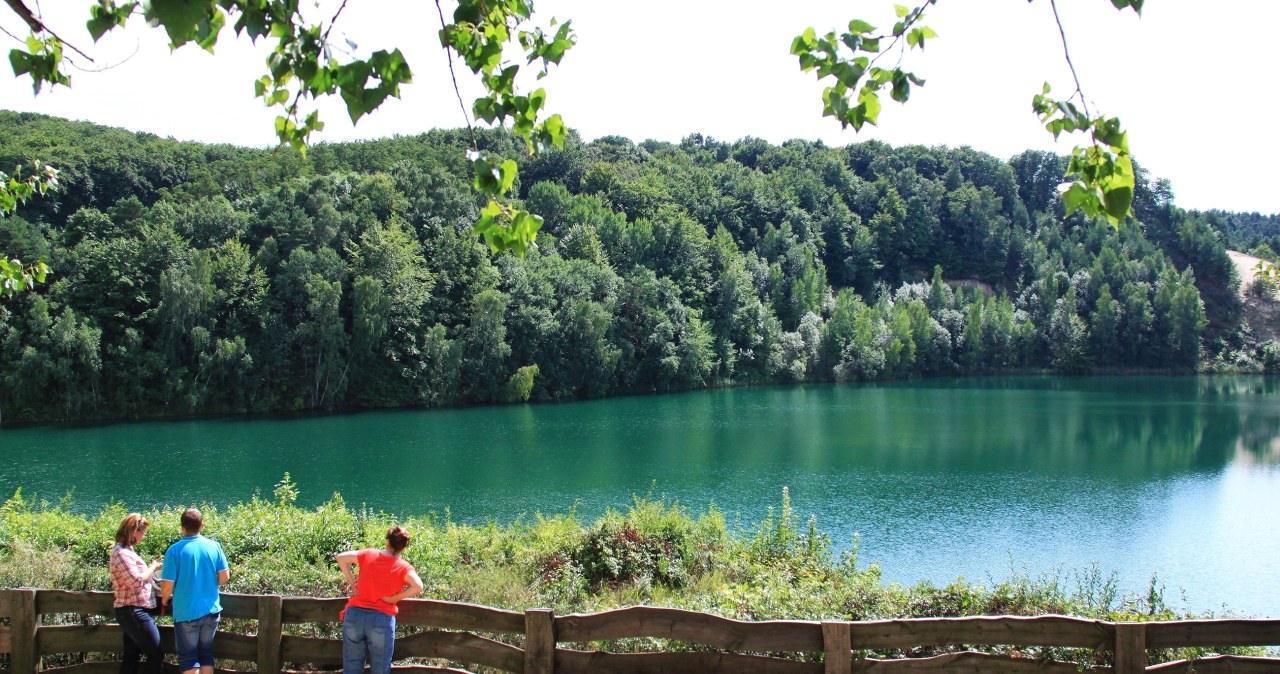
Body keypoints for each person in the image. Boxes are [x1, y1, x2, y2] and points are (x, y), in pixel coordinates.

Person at [336, 526, 424, 674]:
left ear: (387, 542)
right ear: (403, 547)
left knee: (351, 667)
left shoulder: (368, 554)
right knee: (380, 668)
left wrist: (353, 584)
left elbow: (341, 558)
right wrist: (394, 599)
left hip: (354, 616)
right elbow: (418, 586)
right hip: (381, 619)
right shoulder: (403, 567)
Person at [160, 508, 230, 674]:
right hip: (211, 610)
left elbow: (167, 586)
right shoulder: (214, 546)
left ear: (182, 527)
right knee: (206, 655)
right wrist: (208, 585)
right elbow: (225, 576)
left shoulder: (174, 551)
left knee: (189, 660)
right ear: (202, 525)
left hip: (186, 612)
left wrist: (164, 599)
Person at [109, 513, 164, 674]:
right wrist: (153, 567)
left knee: (131, 656)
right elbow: (135, 580)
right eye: (143, 532)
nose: (143, 536)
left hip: (133, 610)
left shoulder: (127, 550)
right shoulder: (121, 553)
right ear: (134, 531)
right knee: (156, 653)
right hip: (133, 610)